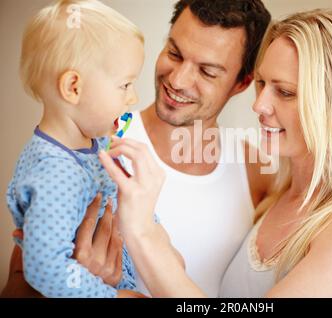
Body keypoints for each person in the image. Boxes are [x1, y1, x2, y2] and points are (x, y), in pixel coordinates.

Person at [99, 8, 332, 298]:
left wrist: (142, 232)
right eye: (262, 84)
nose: (258, 105)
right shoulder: (277, 200)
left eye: (285, 92)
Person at [1, 0, 272, 298]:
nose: (178, 80)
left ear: (241, 83)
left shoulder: (257, 172)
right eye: (174, 53)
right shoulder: (90, 141)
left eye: (207, 71)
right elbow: (19, 285)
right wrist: (85, 280)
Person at [4, 0, 146, 297]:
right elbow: (46, 269)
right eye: (125, 85)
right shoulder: (56, 173)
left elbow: (119, 202)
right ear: (73, 87)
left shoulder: (91, 144)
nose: (133, 97)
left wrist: (158, 243)